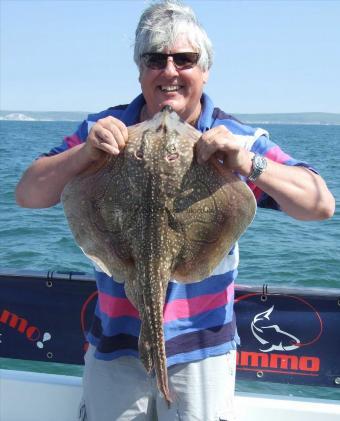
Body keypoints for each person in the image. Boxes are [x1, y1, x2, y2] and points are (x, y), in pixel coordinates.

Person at [16, 1, 335, 420]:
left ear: (204, 70)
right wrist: (85, 155)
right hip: (114, 345)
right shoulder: (105, 129)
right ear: (140, 70)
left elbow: (320, 205)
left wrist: (246, 163)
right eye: (155, 59)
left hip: (202, 349)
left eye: (184, 59)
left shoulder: (233, 137)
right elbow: (28, 194)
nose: (170, 71)